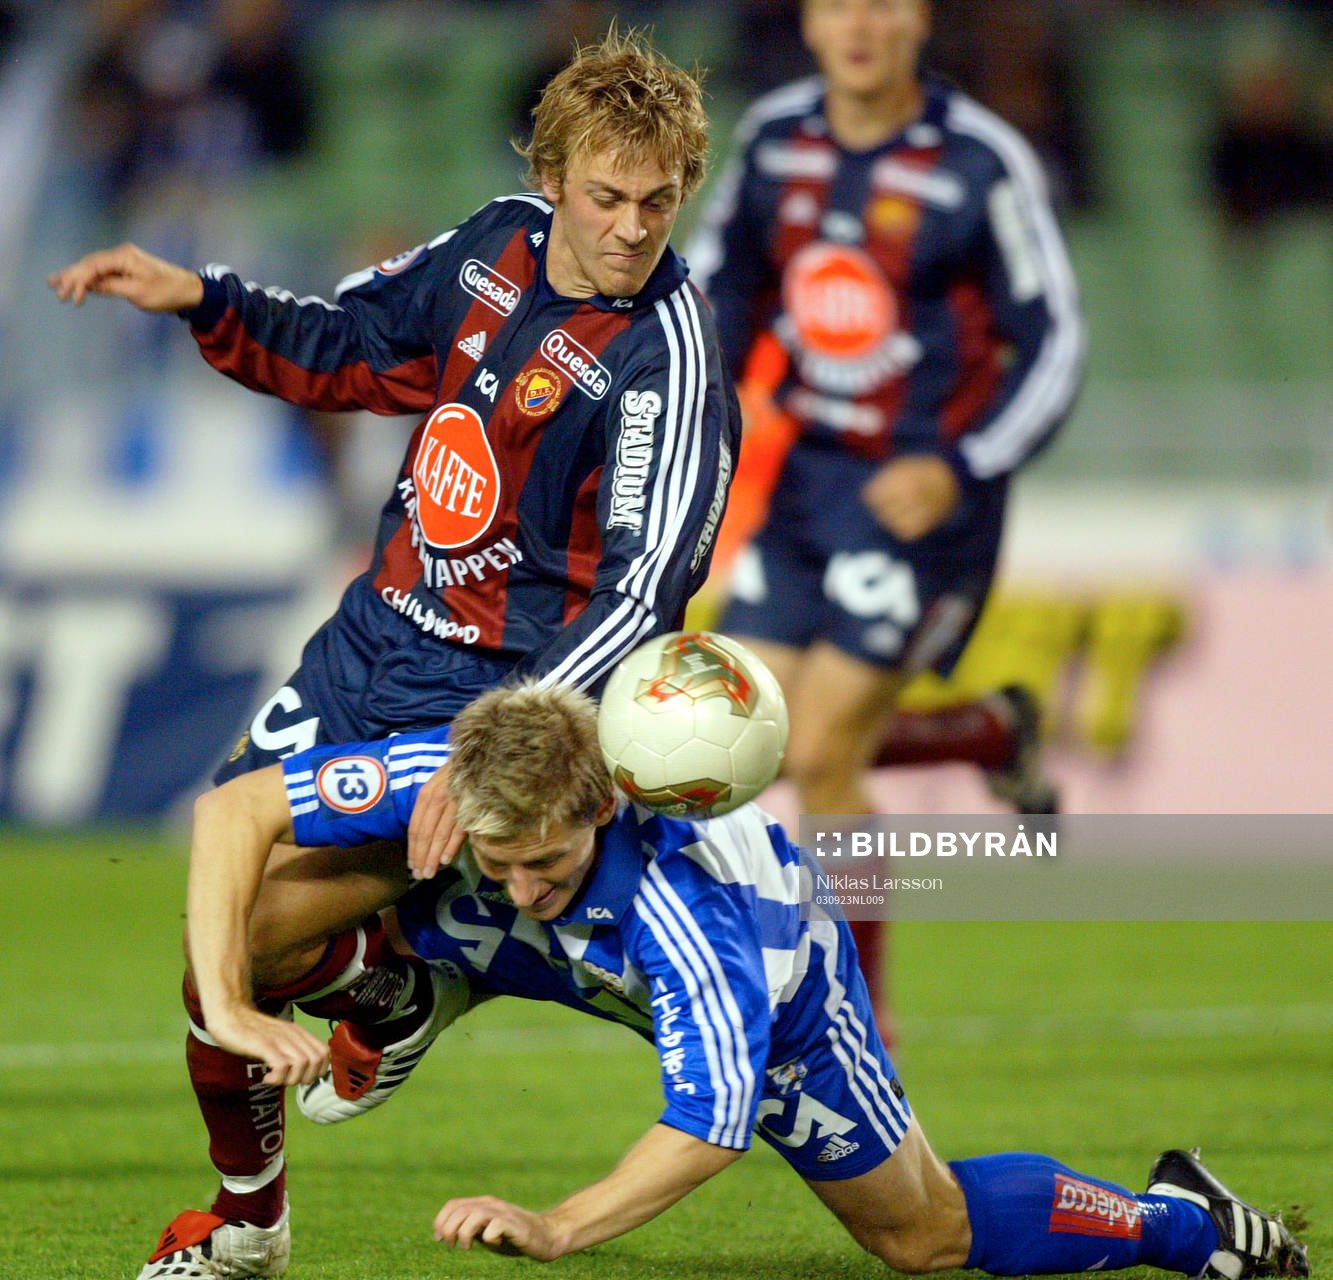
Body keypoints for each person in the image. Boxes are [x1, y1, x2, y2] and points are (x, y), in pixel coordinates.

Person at [49, 27, 740, 1278]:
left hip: (485, 697)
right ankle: (366, 1028)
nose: (633, 228)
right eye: (605, 196)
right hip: (363, 644)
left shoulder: (666, 362)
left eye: (658, 201)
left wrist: (493, 750)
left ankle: (272, 1187)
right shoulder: (491, 246)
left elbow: (648, 595)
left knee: (251, 936)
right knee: (215, 925)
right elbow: (354, 346)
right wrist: (205, 298)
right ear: (552, 176)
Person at [159, 681, 1307, 1279]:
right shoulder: (456, 780)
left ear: (602, 804)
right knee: (267, 916)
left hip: (780, 983)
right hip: (501, 942)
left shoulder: (696, 922)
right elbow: (233, 807)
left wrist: (556, 1225)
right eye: (495, 857)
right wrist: (229, 1005)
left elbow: (704, 1126)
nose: (516, 881)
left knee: (920, 1234)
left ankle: (1178, 1223)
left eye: (544, 860)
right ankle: (397, 987)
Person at [685, 0, 1086, 1021]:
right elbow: (719, 287)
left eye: (884, 1)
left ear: (919, 19)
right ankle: (984, 731)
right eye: (838, 3)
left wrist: (961, 465)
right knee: (750, 737)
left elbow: (1054, 341)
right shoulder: (776, 139)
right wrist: (703, 396)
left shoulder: (981, 159)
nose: (860, 22)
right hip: (808, 486)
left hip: (920, 500)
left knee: (821, 753)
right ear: (810, 23)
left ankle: (862, 1021)